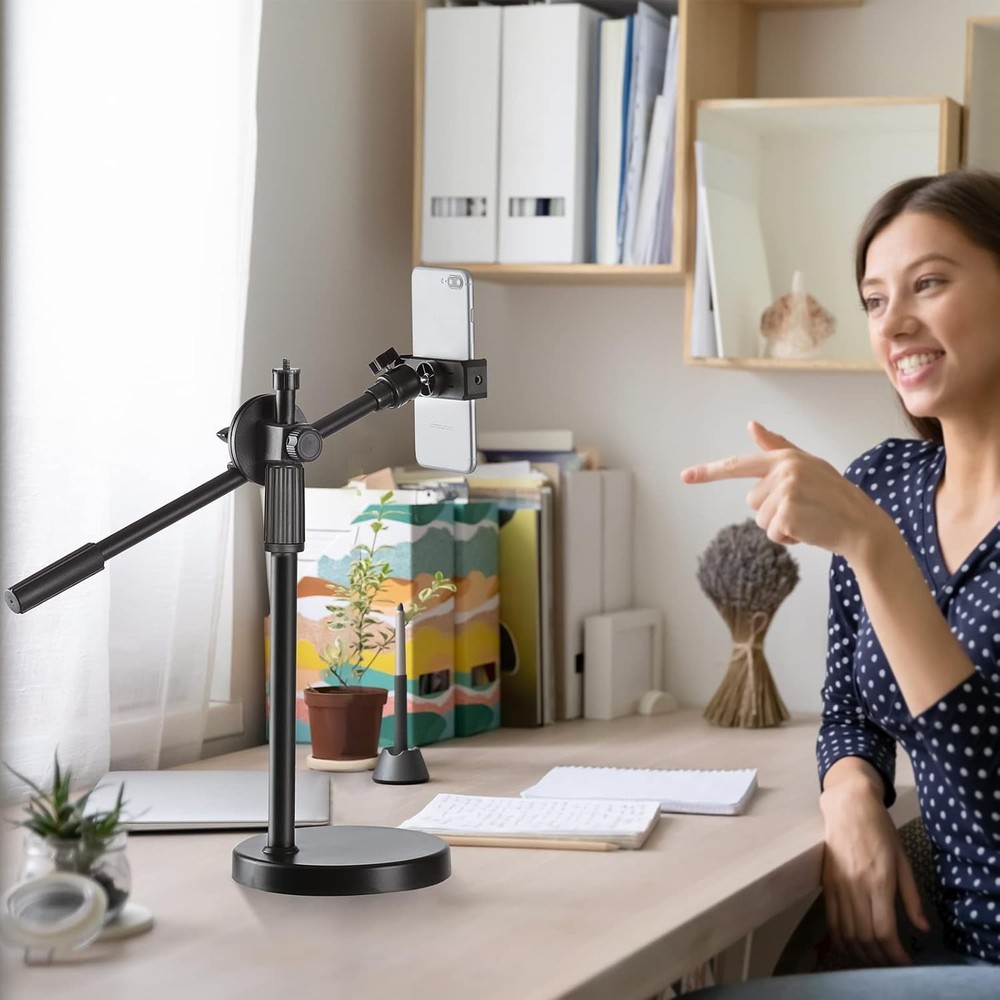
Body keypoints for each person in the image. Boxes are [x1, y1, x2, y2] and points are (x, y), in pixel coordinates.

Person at [680, 169, 1000, 968]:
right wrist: (852, 790)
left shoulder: (871, 521)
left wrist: (872, 546)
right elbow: (851, 708)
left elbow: (988, 790)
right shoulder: (885, 482)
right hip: (941, 946)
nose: (895, 323)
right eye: (874, 300)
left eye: (928, 283)